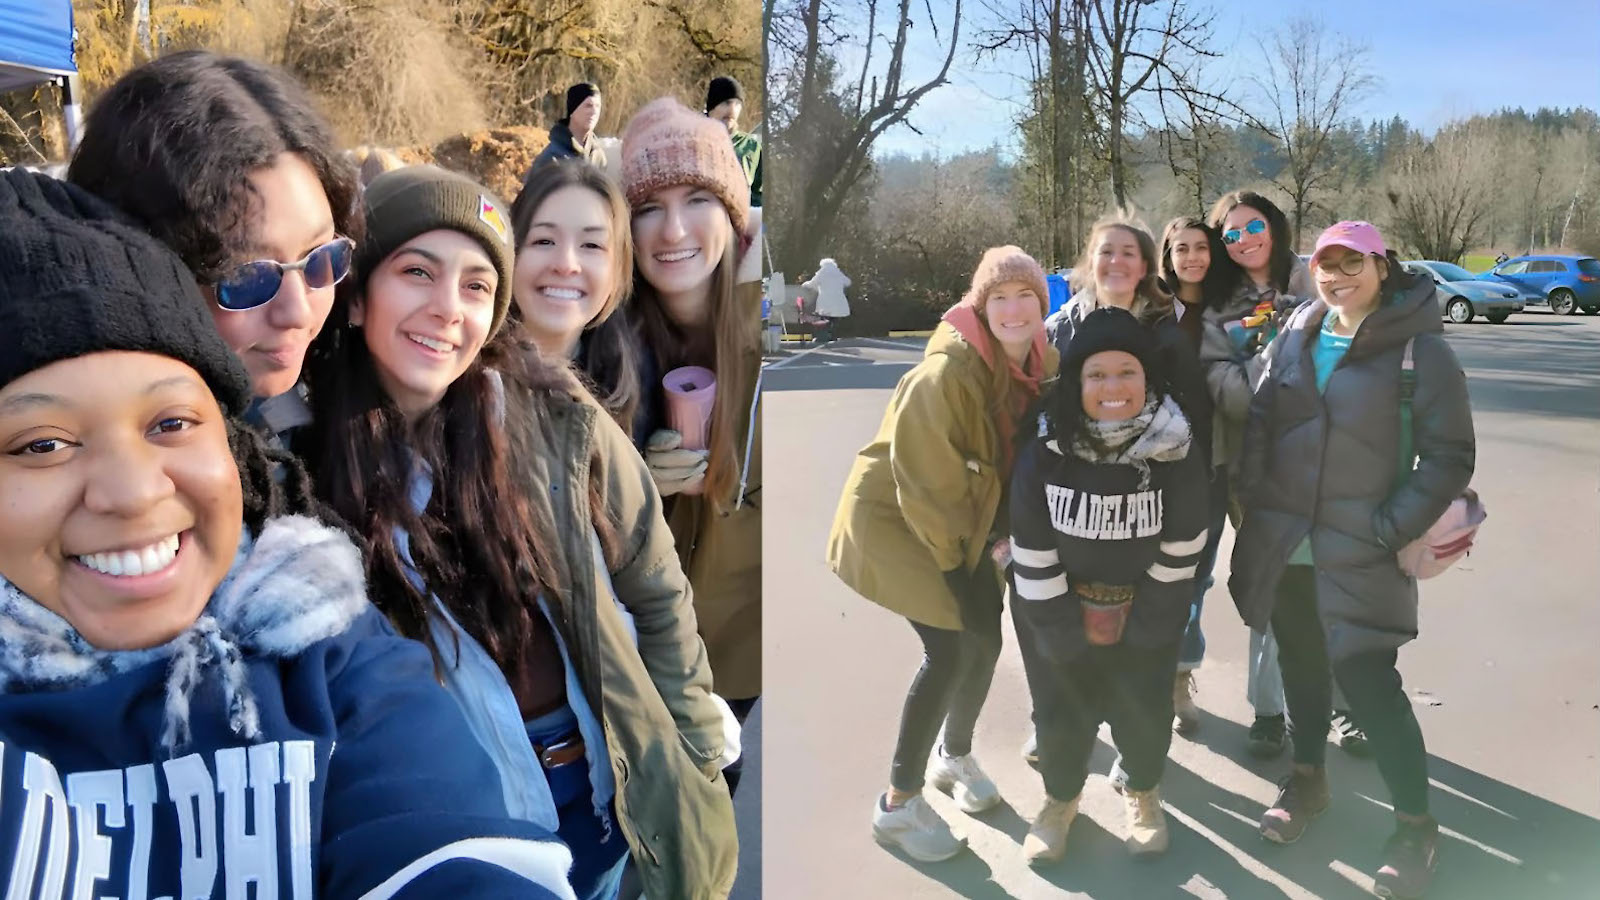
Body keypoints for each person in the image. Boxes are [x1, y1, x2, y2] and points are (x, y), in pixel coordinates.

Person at [0, 168, 574, 899]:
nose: (134, 491)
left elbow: (450, 847)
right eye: (41, 444)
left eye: (171, 422)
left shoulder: (322, 646)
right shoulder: (319, 454)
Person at [296, 166, 738, 900]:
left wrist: (693, 757)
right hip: (470, 830)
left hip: (604, 800)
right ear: (356, 296)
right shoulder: (301, 475)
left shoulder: (557, 417)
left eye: (476, 286)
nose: (447, 309)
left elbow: (657, 597)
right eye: (417, 272)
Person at [1231, 221, 1474, 898]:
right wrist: (1253, 502)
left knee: (1370, 685)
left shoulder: (1420, 352)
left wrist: (1389, 528)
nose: (1337, 276)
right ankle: (1307, 781)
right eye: (1326, 264)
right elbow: (1260, 419)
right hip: (1290, 543)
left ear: (1381, 265)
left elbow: (1450, 456)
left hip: (1363, 548)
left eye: (1352, 262)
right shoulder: (1297, 332)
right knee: (1304, 669)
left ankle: (1415, 825)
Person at [828, 247, 1057, 862]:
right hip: (901, 521)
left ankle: (951, 757)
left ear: (1043, 305)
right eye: (999, 298)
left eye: (1026, 297)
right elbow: (928, 489)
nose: (1013, 309)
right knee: (953, 645)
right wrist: (964, 567)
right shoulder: (946, 375)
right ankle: (897, 806)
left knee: (984, 639)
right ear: (981, 307)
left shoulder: (1039, 362)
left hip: (964, 522)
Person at [66, 51, 361, 451]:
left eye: (322, 259)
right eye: (247, 277)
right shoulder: (91, 483)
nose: (298, 312)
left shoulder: (321, 419)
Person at [1010, 306, 1208, 865]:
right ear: (1076, 382)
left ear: (1149, 378)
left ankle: (1143, 793)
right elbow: (1030, 542)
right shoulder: (1047, 444)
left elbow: (1185, 539)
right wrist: (1060, 634)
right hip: (1054, 609)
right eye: (1097, 374)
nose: (1113, 386)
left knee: (1143, 711)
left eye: (1128, 372)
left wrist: (1149, 625)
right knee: (1059, 714)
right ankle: (1059, 802)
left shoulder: (1175, 444)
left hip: (1145, 608)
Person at [1026, 214, 1210, 763]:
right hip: (1074, 500)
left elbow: (1191, 417)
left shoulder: (1166, 329)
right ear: (1090, 259)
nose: (1116, 262)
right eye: (1106, 251)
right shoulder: (1059, 327)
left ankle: (1145, 734)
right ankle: (1056, 723)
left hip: (1146, 499)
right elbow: (1038, 411)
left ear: (1147, 264)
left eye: (1129, 252)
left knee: (1154, 613)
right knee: (1060, 618)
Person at [618, 97, 763, 765]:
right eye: (648, 207)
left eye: (698, 198)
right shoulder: (603, 338)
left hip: (743, 648)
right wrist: (633, 485)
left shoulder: (780, 329)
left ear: (733, 214)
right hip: (643, 647)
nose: (672, 230)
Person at [1198, 190, 1327, 758]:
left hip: (1332, 457)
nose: (1244, 239)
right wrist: (1272, 355)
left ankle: (1345, 705)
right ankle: (1270, 709)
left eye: (1253, 226)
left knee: (1338, 580)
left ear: (1273, 225)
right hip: (1258, 464)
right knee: (1272, 582)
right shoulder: (1217, 305)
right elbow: (1225, 390)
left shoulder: (1316, 280)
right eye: (1230, 234)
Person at [1155, 216, 1235, 733]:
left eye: (1201, 247)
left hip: (1214, 465)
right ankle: (1146, 678)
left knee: (1197, 580)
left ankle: (1180, 677)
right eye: (1181, 248)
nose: (1192, 257)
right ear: (1167, 255)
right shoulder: (1152, 314)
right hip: (1157, 471)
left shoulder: (1231, 310)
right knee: (1154, 581)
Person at [510, 160, 643, 439]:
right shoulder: (464, 385)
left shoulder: (637, 390)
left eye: (591, 245)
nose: (566, 264)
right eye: (544, 241)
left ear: (618, 271)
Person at [527, 83, 608, 180]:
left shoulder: (599, 157)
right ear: (572, 110)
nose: (594, 111)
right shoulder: (551, 159)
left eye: (598, 106)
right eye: (588, 106)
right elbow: (533, 193)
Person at [705, 75, 762, 207]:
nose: (732, 110)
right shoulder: (692, 140)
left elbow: (759, 196)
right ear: (712, 106)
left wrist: (760, 225)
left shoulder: (751, 147)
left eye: (737, 104)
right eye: (726, 103)